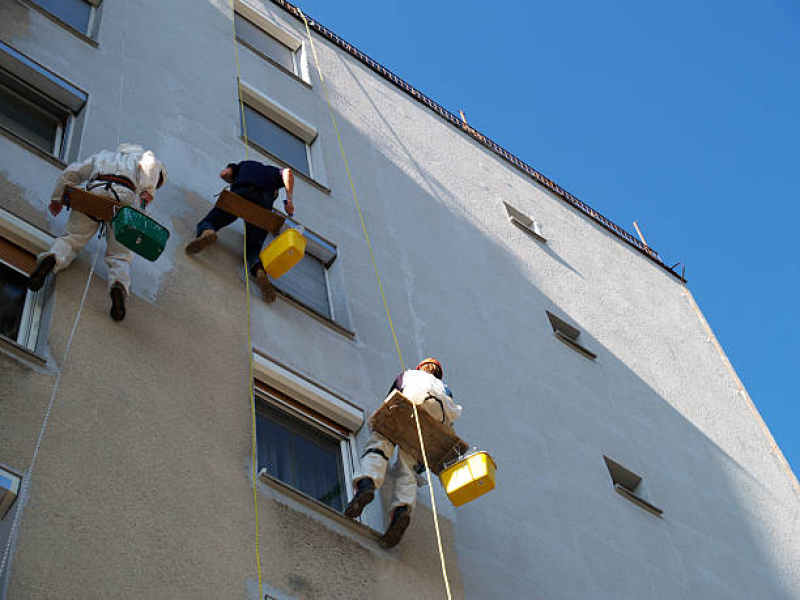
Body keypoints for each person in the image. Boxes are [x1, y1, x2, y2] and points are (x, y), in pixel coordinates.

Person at [28, 143, 167, 322]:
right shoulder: (143, 156)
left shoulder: (103, 155)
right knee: (120, 255)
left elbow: (72, 171)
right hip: (122, 200)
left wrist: (57, 198)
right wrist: (148, 189)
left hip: (94, 193)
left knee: (72, 238)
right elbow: (151, 164)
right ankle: (118, 286)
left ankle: (53, 257)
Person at [345, 358, 462, 548]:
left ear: (421, 368)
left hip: (411, 402)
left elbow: (392, 397)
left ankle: (366, 484)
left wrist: (381, 420)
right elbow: (449, 422)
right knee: (409, 468)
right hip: (435, 419)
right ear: (438, 374)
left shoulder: (409, 374)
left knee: (380, 443)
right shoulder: (445, 389)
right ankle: (402, 510)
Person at [185, 160, 295, 303]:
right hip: (263, 204)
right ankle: (258, 270)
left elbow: (224, 173)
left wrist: (233, 180)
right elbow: (288, 172)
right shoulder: (273, 173)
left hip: (241, 192)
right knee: (254, 248)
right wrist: (289, 200)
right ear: (275, 193)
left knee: (211, 221)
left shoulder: (244, 164)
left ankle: (208, 232)